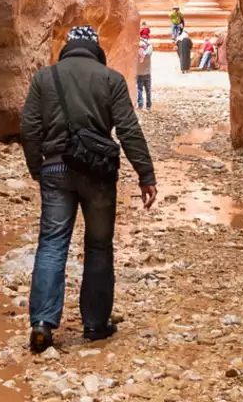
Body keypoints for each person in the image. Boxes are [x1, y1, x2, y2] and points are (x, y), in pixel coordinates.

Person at [18, 25, 158, 354]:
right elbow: (127, 128)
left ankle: (42, 322)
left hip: (55, 169)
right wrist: (145, 173)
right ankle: (95, 324)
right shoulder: (110, 79)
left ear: (68, 48)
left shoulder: (44, 78)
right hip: (98, 174)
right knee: (98, 246)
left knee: (52, 244)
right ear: (96, 48)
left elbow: (29, 127)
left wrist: (36, 167)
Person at [135, 24, 153, 110]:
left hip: (138, 72)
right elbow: (148, 54)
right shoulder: (149, 45)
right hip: (147, 71)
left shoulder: (135, 45)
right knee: (148, 90)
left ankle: (140, 104)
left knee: (139, 89)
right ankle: (148, 106)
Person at [173, 9, 193, 73]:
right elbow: (191, 45)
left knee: (181, 60)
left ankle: (182, 70)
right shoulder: (187, 39)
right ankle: (187, 70)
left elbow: (176, 45)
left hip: (181, 53)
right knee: (187, 61)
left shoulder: (179, 39)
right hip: (187, 53)